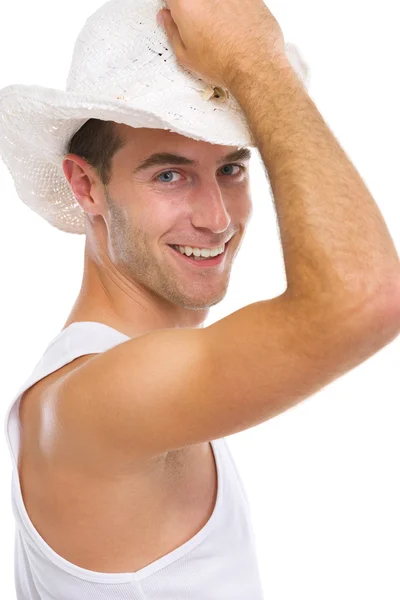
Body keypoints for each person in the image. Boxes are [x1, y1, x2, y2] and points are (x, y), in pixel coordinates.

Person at [1, 0, 400, 598]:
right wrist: (254, 61)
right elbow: (367, 297)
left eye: (232, 170)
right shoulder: (95, 398)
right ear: (86, 184)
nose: (217, 219)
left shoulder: (148, 381)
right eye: (169, 174)